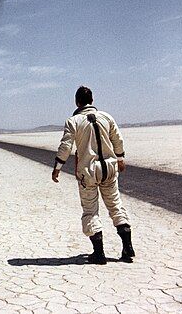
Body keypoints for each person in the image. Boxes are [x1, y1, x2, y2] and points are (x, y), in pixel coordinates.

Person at [52, 86, 135, 264]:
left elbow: (66, 146)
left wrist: (58, 167)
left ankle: (99, 254)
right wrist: (120, 159)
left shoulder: (73, 121)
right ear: (92, 100)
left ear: (77, 102)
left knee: (90, 211)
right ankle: (127, 247)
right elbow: (117, 140)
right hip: (110, 169)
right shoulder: (107, 117)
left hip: (88, 172)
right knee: (115, 206)